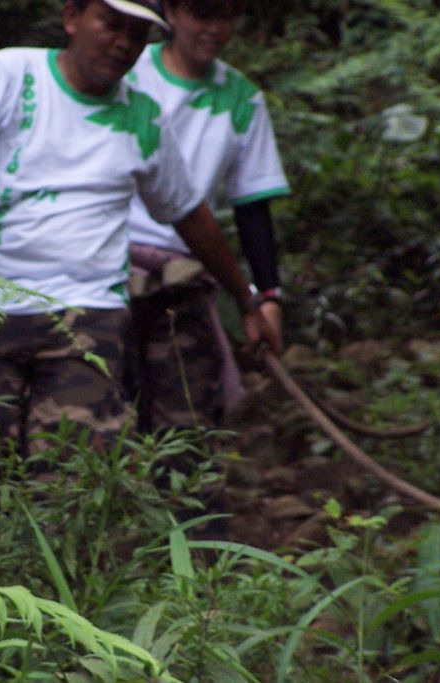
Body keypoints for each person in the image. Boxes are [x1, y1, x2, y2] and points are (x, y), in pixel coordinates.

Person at [0, 0, 274, 463]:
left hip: (88, 311)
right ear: (71, 18)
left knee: (73, 468)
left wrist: (248, 299)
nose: (123, 43)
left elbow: (190, 216)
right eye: (111, 24)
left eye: (137, 34)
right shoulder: (13, 74)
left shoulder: (143, 117)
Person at [125, 0, 289, 431]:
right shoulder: (126, 73)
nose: (214, 29)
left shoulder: (241, 99)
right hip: (106, 259)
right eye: (203, 15)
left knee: (185, 415)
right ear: (172, 13)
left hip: (184, 270)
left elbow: (252, 206)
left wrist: (268, 297)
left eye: (227, 17)